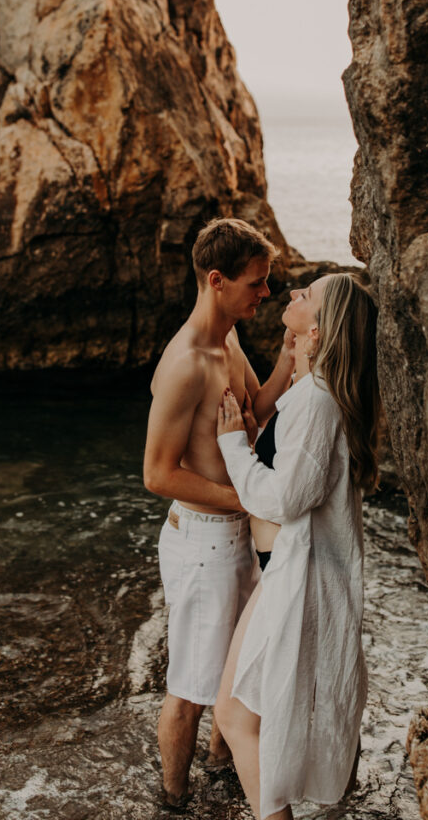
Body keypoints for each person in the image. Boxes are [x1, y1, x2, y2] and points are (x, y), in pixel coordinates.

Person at [214, 272, 379, 820]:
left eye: (305, 295)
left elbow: (285, 499)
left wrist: (232, 445)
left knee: (239, 719)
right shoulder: (314, 393)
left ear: (320, 330)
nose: (291, 294)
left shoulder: (318, 402)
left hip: (298, 581)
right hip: (288, 573)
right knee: (251, 717)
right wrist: (292, 363)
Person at [143, 218, 295, 810]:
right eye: (257, 283)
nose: (266, 292)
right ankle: (173, 802)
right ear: (216, 279)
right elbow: (158, 474)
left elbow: (255, 410)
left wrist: (287, 357)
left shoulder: (229, 340)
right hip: (203, 540)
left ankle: (221, 773)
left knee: (236, 673)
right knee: (190, 688)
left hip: (236, 534)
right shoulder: (188, 363)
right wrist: (251, 499)